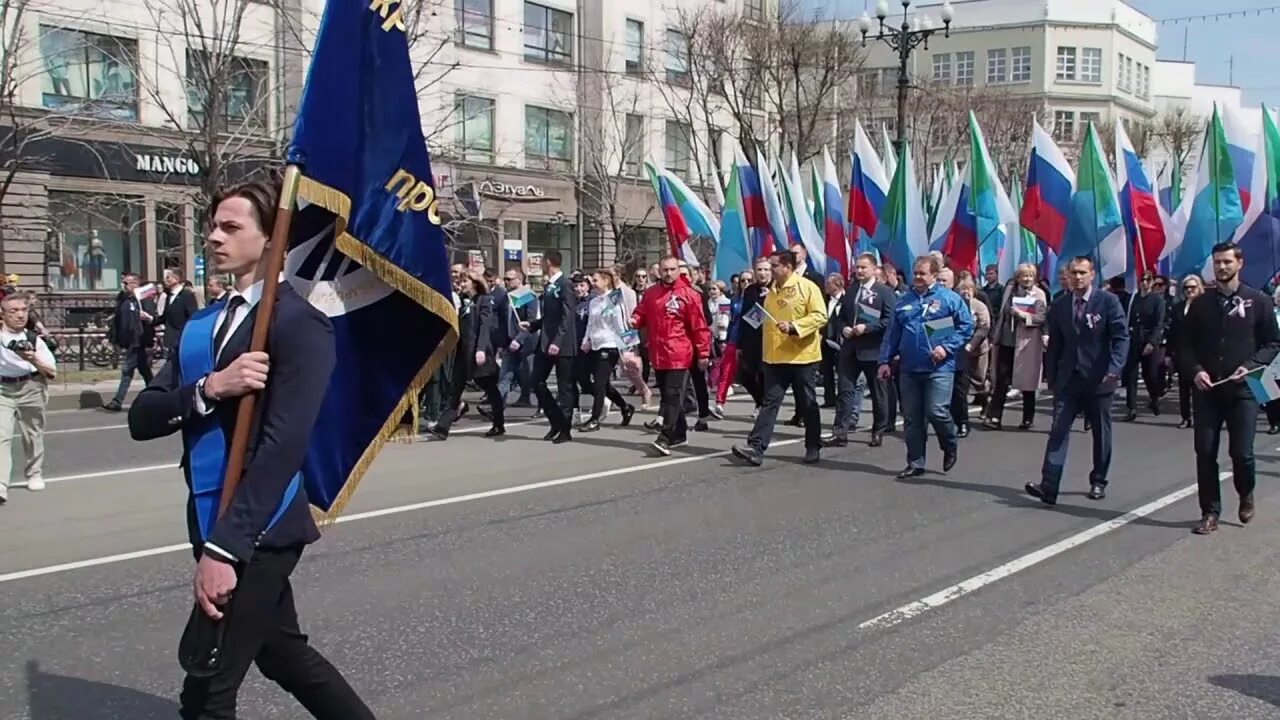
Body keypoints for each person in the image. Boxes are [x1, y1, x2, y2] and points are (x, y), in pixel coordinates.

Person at [127, 177, 374, 719]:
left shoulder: (299, 324)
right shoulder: (203, 324)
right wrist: (211, 388)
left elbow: (283, 446)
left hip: (258, 527)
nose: (214, 237)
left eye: (231, 227)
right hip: (209, 512)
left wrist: (224, 549)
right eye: (213, 226)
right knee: (283, 654)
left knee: (208, 688)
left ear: (271, 240)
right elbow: (144, 418)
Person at [1179, 242, 1280, 534]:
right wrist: (1196, 371)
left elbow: (1273, 344)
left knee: (1242, 453)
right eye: (1217, 262)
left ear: (1239, 263)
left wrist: (1248, 367)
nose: (1221, 267)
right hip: (1208, 391)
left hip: (1243, 390)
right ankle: (1210, 511)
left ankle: (1245, 492)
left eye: (1226, 262)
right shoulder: (1200, 305)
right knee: (1205, 451)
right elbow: (1184, 346)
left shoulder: (1258, 301)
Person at [1026, 256, 1129, 506]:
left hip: (1100, 378)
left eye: (1083, 272)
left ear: (1092, 274)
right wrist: (1050, 376)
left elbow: (1121, 337)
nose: (1078, 277)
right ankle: (1049, 486)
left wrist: (1114, 369)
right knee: (1058, 431)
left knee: (1101, 434)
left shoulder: (1108, 302)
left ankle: (1098, 480)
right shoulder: (1060, 305)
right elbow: (1055, 346)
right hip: (1069, 380)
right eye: (1074, 273)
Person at [731, 249, 829, 467]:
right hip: (775, 357)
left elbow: (820, 316)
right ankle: (756, 447)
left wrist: (795, 326)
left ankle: (813, 445)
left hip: (802, 356)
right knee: (770, 402)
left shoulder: (807, 287)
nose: (770, 270)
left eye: (775, 266)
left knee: (807, 403)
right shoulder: (771, 291)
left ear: (787, 267)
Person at [880, 255, 973, 478]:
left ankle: (949, 443)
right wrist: (884, 360)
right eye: (916, 273)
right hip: (910, 368)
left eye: (923, 273)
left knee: (937, 411)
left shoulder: (949, 299)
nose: (918, 277)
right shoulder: (904, 300)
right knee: (912, 418)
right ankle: (915, 462)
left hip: (939, 367)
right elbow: (892, 333)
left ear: (934, 275)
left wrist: (946, 348)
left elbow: (966, 327)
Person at [630, 257, 710, 456]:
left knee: (673, 396)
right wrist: (635, 319)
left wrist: (704, 353)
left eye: (672, 269)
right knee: (667, 395)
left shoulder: (689, 295)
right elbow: (642, 312)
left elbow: (700, 327)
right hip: (659, 352)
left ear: (679, 271)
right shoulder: (651, 293)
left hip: (680, 353)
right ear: (659, 271)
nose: (668, 273)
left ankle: (665, 437)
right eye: (665, 269)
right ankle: (679, 434)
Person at [829, 253, 895, 447]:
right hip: (850, 349)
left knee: (878, 393)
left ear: (875, 269)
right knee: (845, 390)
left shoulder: (884, 292)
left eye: (863, 267)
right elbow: (841, 317)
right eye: (857, 267)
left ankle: (878, 430)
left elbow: (889, 320)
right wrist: (844, 328)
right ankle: (840, 432)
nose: (859, 271)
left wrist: (867, 328)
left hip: (874, 350)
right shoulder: (851, 290)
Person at [0, 294, 56, 504]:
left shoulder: (34, 340)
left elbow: (51, 373)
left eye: (23, 310)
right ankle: (1, 484)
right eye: (13, 311)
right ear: (3, 314)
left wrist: (33, 359)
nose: (20, 315)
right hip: (3, 388)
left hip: (31, 387)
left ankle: (34, 472)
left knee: (32, 434)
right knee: (1, 436)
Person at [985, 263, 1048, 430]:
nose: (1027, 279)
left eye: (1030, 276)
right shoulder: (1009, 290)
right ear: (1017, 277)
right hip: (1007, 339)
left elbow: (1041, 318)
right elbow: (1001, 313)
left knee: (1027, 381)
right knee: (1002, 380)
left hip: (1027, 343)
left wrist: (1023, 316)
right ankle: (995, 417)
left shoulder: (1039, 294)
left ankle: (1028, 417)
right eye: (1023, 276)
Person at [578, 269, 636, 432]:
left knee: (599, 385)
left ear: (605, 281)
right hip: (595, 345)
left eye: (595, 280)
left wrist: (627, 349)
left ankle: (595, 419)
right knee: (602, 384)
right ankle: (625, 407)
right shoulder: (594, 301)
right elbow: (590, 324)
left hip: (610, 346)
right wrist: (585, 341)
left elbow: (621, 324)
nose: (593, 284)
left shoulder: (615, 299)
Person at [529, 251, 578, 443]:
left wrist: (557, 342)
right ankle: (555, 421)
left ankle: (565, 429)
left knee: (564, 387)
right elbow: (550, 317)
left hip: (562, 345)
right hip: (546, 342)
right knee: (537, 381)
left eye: (542, 261)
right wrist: (533, 325)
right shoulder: (549, 286)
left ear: (548, 262)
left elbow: (567, 317)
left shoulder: (565, 285)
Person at [103, 273, 156, 412]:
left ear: (135, 284)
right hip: (128, 340)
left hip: (138, 340)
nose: (123, 286)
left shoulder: (143, 298)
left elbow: (152, 317)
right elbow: (119, 319)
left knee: (127, 369)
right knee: (145, 371)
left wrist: (146, 317)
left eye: (126, 283)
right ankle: (157, 396)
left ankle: (117, 401)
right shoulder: (123, 299)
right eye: (123, 283)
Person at [1121, 271, 1167, 421]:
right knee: (1131, 374)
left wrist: (1152, 342)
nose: (1145, 283)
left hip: (1149, 340)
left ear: (1152, 282)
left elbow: (1159, 323)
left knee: (1150, 375)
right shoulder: (1133, 298)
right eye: (1142, 279)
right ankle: (1131, 408)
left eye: (1148, 280)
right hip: (1133, 339)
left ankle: (1154, 398)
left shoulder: (1157, 300)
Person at [954, 278, 991, 438]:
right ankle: (961, 421)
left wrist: (972, 344)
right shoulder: (956, 304)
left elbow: (984, 326)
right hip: (959, 350)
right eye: (963, 289)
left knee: (979, 379)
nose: (966, 292)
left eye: (969, 289)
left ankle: (985, 402)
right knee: (962, 385)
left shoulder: (979, 306)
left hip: (977, 348)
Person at [1167, 275, 1203, 430]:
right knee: (1183, 388)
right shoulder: (1178, 307)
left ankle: (1201, 418)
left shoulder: (1205, 306)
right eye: (1187, 288)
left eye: (1193, 287)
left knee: (1199, 389)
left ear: (1199, 288)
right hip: (1182, 353)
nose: (1190, 290)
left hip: (1201, 354)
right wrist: (1169, 354)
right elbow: (1172, 332)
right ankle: (1185, 417)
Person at [157, 268, 201, 356]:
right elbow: (166, 316)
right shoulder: (169, 296)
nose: (165, 280)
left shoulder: (187, 295)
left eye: (168, 277)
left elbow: (192, 317)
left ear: (176, 279)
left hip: (182, 339)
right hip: (171, 339)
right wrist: (151, 319)